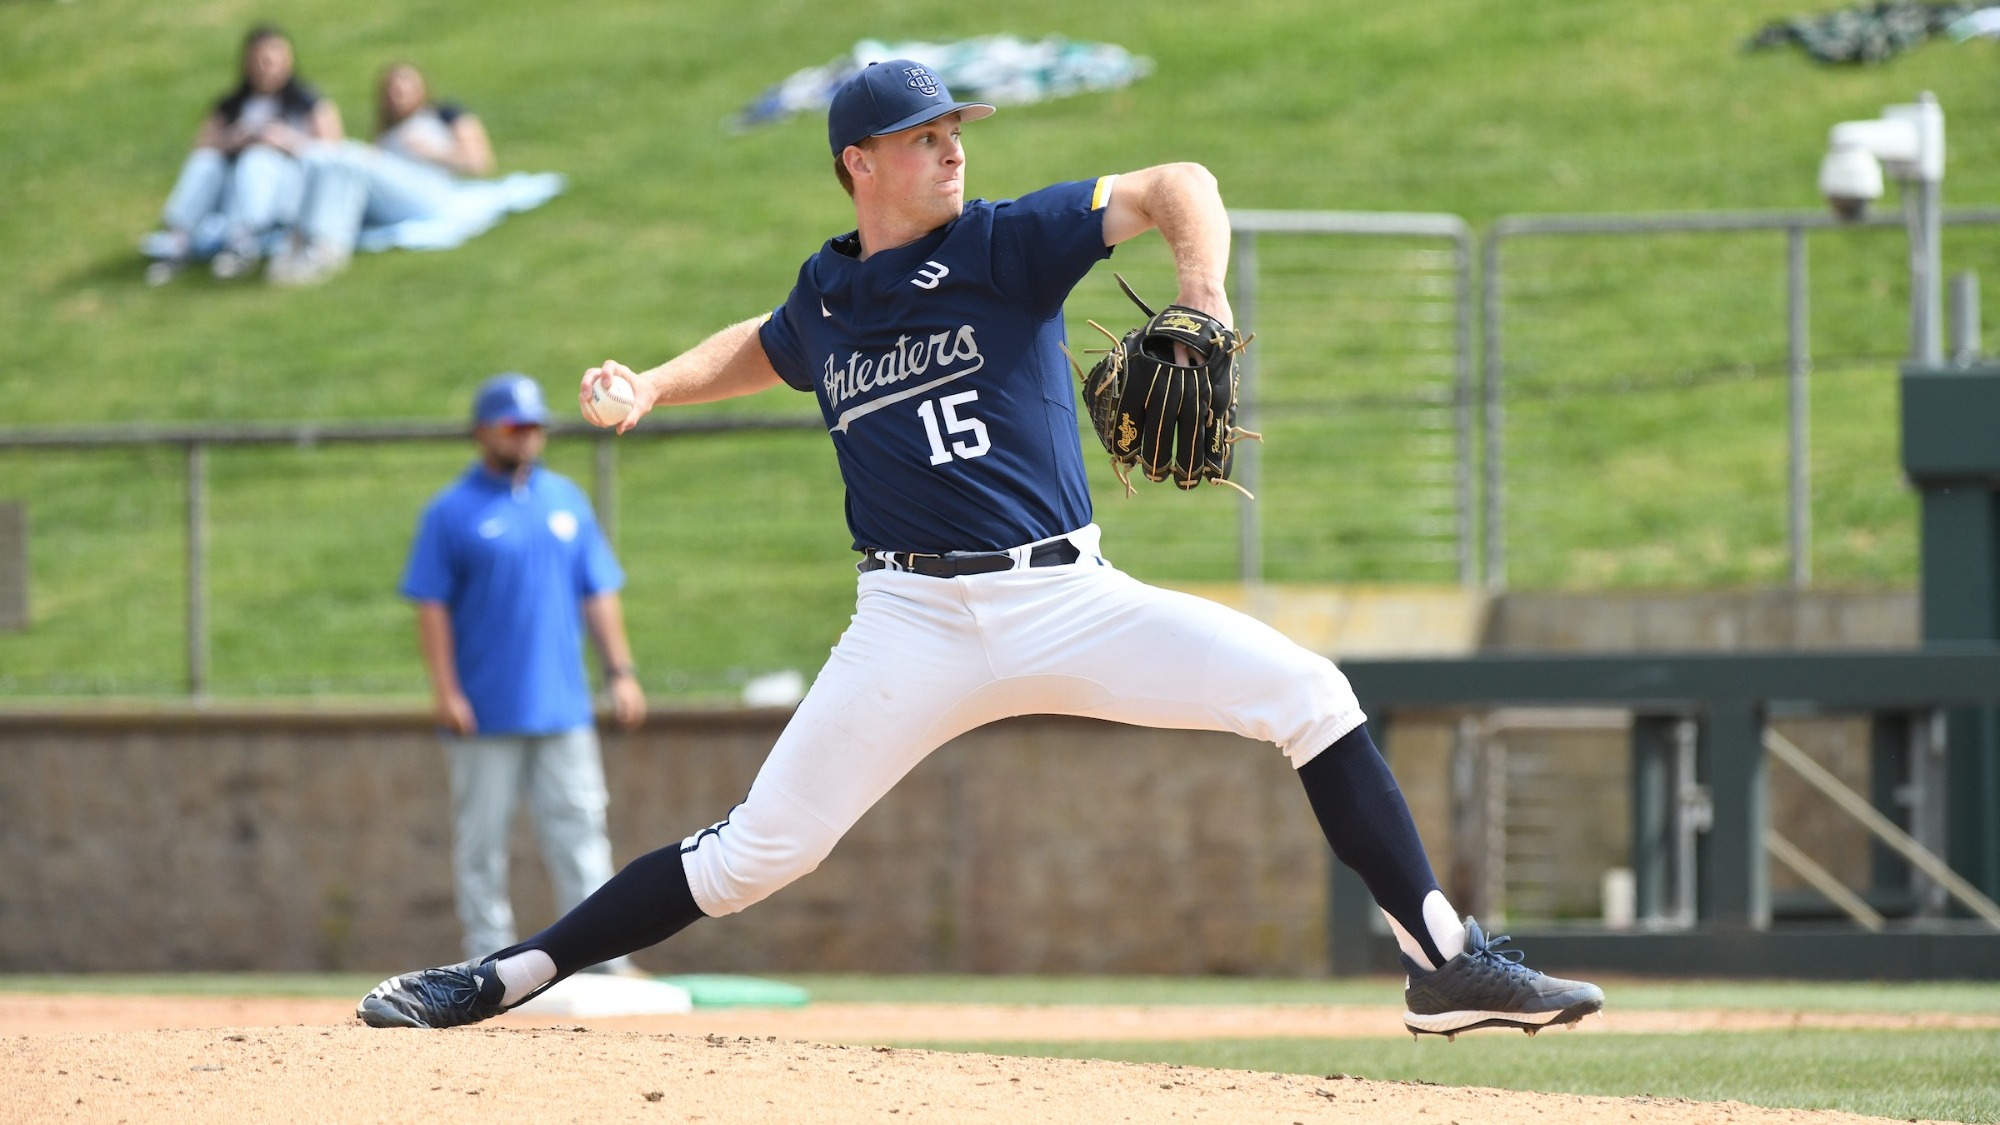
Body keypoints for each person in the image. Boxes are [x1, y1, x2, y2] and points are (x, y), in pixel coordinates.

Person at [358, 61, 1605, 1038]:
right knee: (751, 859)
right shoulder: (829, 293)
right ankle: (503, 976)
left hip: (1069, 598)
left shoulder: (1005, 242)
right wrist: (651, 387)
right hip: (907, 626)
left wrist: (1204, 295)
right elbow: (770, 339)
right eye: (922, 133)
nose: (952, 143)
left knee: (1309, 695)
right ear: (856, 163)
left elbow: (1182, 180)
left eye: (956, 127)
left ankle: (1442, 962)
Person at [398, 372, 648, 972]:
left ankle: (605, 960)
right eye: (514, 426)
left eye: (535, 426)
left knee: (582, 831)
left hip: (563, 707)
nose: (526, 437)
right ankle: (486, 963)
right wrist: (446, 689)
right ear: (483, 431)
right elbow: (429, 604)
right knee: (482, 843)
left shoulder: (565, 500)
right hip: (484, 709)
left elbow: (599, 591)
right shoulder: (451, 511)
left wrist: (621, 671)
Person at [267, 63, 557, 286]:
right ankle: (301, 238)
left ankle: (325, 249)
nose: (398, 95)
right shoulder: (386, 132)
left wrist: (434, 153)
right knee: (327, 158)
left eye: (405, 87)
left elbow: (480, 162)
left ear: (421, 88)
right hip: (396, 200)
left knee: (347, 156)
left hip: (431, 193)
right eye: (392, 90)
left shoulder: (445, 114)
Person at [142, 25, 342, 285]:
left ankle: (242, 243)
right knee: (206, 162)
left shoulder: (307, 103)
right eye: (260, 60)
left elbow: (333, 153)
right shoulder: (231, 105)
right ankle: (178, 242)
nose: (266, 67)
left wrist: (285, 140)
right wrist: (232, 140)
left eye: (272, 60)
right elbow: (200, 147)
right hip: (232, 183)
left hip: (284, 183)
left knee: (257, 159)